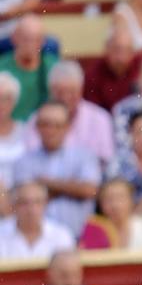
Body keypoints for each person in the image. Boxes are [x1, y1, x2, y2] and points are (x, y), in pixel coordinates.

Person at [12, 101, 102, 237]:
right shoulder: (24, 161)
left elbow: (89, 190)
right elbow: (25, 199)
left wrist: (45, 183)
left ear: (68, 127)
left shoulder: (85, 156)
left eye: (57, 125)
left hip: (79, 241)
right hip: (38, 243)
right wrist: (72, 186)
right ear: (37, 127)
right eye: (45, 124)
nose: (51, 130)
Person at [24, 61, 116, 165]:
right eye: (60, 92)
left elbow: (106, 159)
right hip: (45, 179)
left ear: (81, 90)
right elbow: (31, 157)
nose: (65, 98)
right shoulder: (37, 119)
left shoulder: (100, 118)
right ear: (50, 92)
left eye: (72, 92)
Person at [79, 177, 142, 249]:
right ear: (101, 204)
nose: (115, 205)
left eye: (120, 198)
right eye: (109, 199)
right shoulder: (94, 230)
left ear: (131, 201)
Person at [0, 14, 56, 122]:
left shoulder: (54, 68)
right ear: (14, 38)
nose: (30, 45)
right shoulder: (1, 67)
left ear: (43, 41)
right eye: (25, 39)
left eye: (36, 39)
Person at [0, 181, 75, 260]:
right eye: (24, 203)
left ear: (45, 204)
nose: (31, 209)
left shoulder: (61, 235)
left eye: (37, 202)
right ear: (14, 205)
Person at [82, 28, 142, 112]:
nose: (121, 58)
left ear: (133, 53)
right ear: (107, 48)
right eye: (117, 50)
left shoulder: (141, 68)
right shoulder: (93, 74)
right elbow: (92, 111)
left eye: (127, 51)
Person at [0, 69, 21, 187]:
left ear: (14, 101)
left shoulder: (25, 130)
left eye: (7, 98)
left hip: (20, 194)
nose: (1, 104)